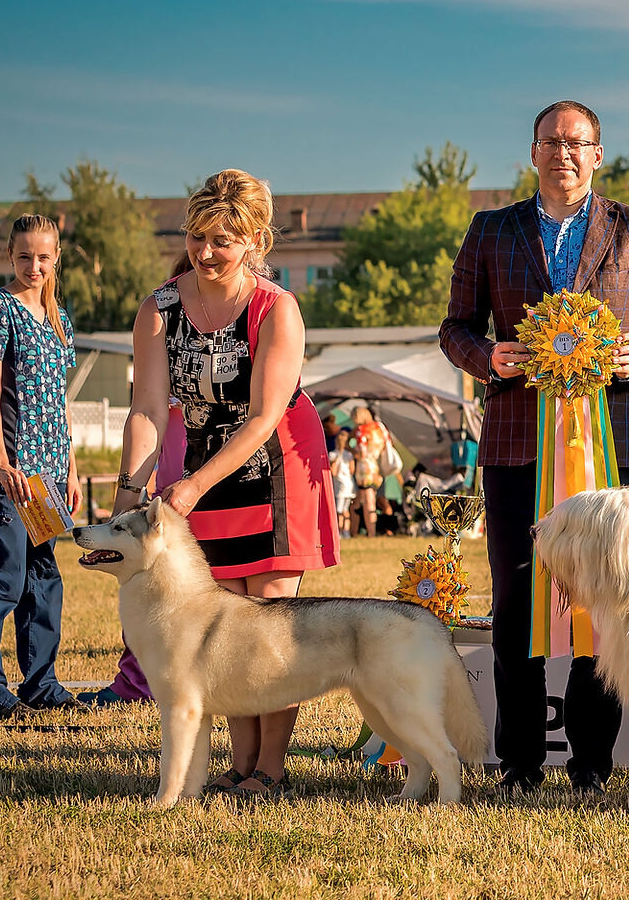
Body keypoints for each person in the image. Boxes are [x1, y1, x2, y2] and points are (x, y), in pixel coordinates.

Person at [440, 99, 629, 796]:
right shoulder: (491, 230)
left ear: (598, 154)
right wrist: (488, 357)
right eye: (551, 141)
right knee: (519, 603)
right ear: (532, 153)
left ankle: (592, 765)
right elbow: (454, 328)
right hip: (517, 445)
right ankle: (519, 763)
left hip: (610, 446)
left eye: (577, 143)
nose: (564, 153)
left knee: (607, 604)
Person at [110, 169, 339, 798]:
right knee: (223, 626)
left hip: (277, 465)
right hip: (207, 466)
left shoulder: (276, 308)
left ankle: (270, 770)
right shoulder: (158, 308)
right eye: (197, 238)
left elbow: (266, 415)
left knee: (270, 618)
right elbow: (149, 410)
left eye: (223, 241)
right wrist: (133, 488)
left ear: (255, 241)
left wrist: (189, 487)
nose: (206, 253)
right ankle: (239, 768)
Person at [0, 214, 82, 719]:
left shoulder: (58, 316)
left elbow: (62, 399)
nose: (35, 266)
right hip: (13, 470)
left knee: (43, 579)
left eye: (44, 257)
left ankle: (41, 683)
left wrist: (72, 469)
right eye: (25, 256)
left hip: (52, 471)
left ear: (56, 259)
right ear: (10, 256)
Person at [349, 405, 390, 537]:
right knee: (357, 502)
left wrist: (349, 449)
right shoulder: (380, 428)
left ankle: (371, 533)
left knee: (368, 502)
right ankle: (353, 532)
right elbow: (386, 444)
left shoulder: (361, 431)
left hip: (364, 469)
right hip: (376, 467)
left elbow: (361, 453)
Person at [330, 430, 356, 538]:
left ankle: (339, 532)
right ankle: (346, 531)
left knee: (339, 511)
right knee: (346, 510)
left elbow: (333, 472)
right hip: (349, 485)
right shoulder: (349, 455)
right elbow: (352, 470)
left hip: (340, 487)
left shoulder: (332, 455)